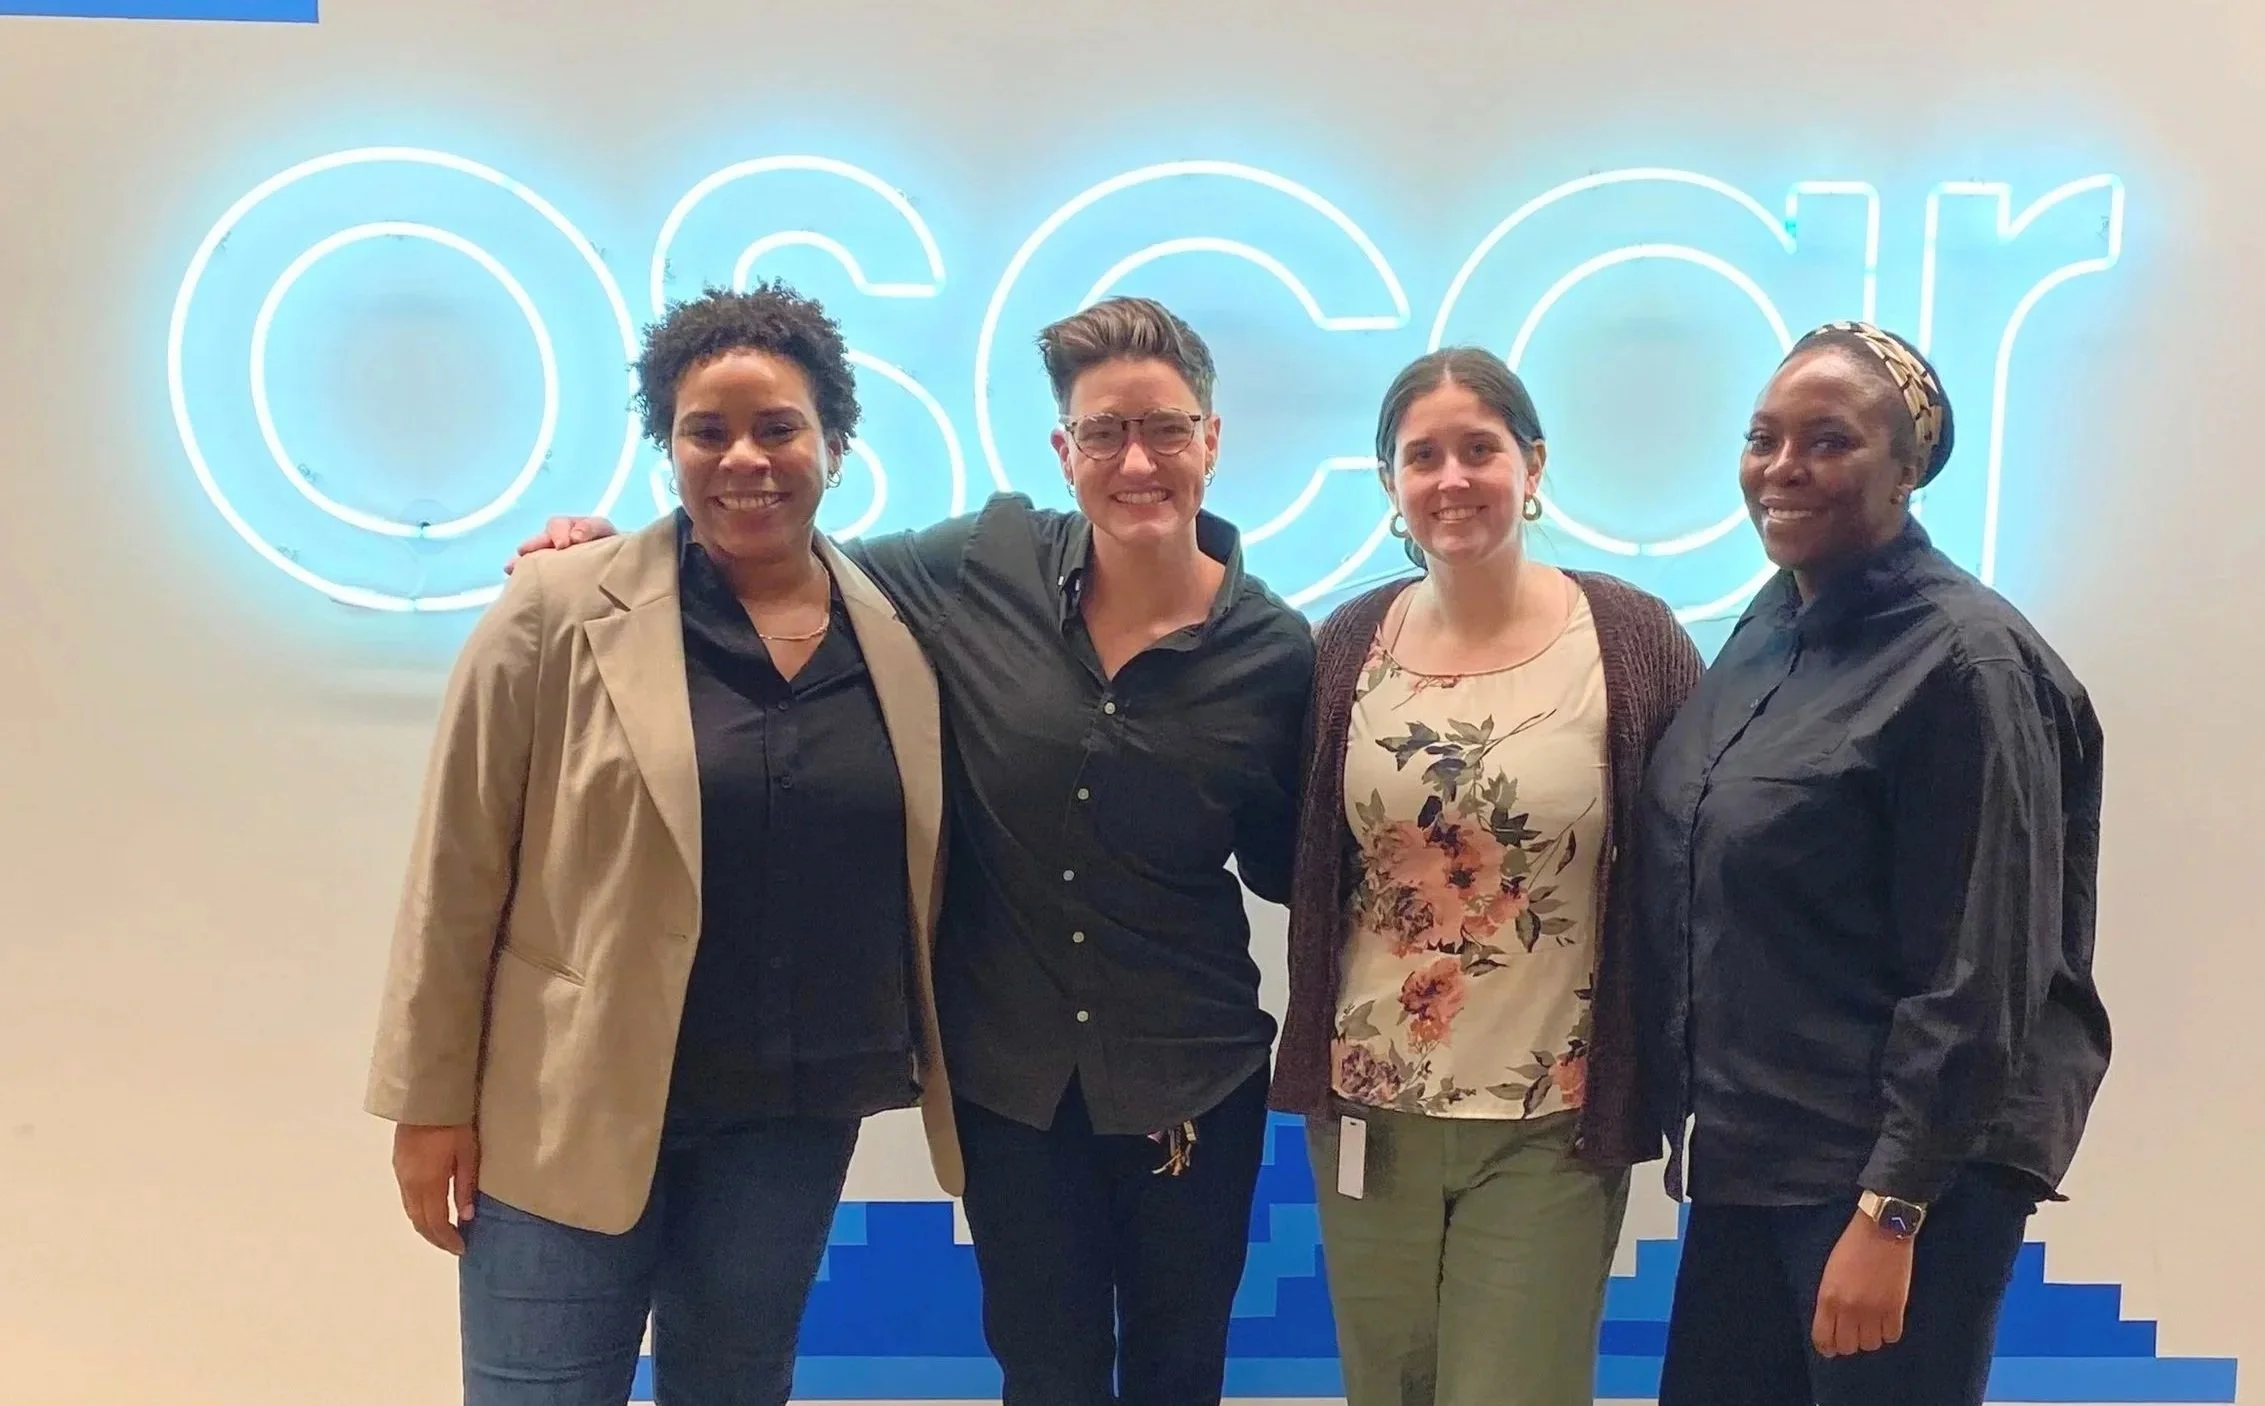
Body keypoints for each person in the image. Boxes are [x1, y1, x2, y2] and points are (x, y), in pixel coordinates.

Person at [511, 295, 1315, 1406]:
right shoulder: (979, 565)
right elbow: (781, 557)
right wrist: (603, 561)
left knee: (1180, 1375)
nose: (1138, 459)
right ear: (1062, 450)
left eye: (1167, 429)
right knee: (1045, 1372)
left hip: (1192, 1076)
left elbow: (1294, 865)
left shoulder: (1275, 652)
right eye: (1104, 433)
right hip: (1010, 1084)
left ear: (1211, 441)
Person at [365, 281, 960, 1406]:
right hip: (566, 1103)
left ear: (834, 439)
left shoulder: (897, 630)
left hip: (786, 1121)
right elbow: (455, 870)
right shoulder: (558, 605)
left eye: (778, 426)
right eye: (707, 430)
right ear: (666, 446)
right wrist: (426, 1100)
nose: (745, 458)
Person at [1633, 320, 2112, 1406]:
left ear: (1907, 471)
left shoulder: (1969, 665)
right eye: (1763, 437)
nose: (1782, 467)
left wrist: (1892, 1207)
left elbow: (1983, 971)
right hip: (1751, 1160)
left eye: (1828, 440)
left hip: (1888, 1183)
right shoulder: (1770, 626)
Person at [1267, 347, 1703, 1405]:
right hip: (1369, 1111)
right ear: (1390, 485)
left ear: (1532, 464)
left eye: (1479, 449)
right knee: (1392, 1391)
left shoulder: (1629, 638)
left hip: (1550, 1117)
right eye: (1422, 456)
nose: (1451, 478)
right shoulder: (1347, 644)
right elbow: (1305, 858)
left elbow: (1701, 844)